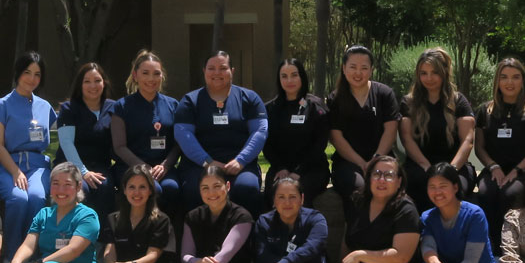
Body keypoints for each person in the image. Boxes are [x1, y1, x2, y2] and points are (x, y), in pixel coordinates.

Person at [172, 50, 269, 215]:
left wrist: (241, 160)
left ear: (232, 71)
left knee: (247, 188)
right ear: (204, 71)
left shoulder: (250, 98)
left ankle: (245, 238)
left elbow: (260, 131)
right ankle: (197, 238)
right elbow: (183, 135)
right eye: (211, 68)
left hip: (240, 166)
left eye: (223, 68)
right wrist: (207, 162)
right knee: (195, 190)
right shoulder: (190, 101)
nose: (217, 73)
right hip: (199, 166)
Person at [473, 56, 525, 244]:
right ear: (497, 81)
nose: (509, 82)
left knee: (510, 193)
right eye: (504, 77)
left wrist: (517, 171)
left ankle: (511, 246)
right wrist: (493, 167)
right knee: (485, 193)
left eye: (515, 77)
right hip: (495, 169)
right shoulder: (485, 110)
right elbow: (479, 147)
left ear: (523, 80)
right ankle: (489, 248)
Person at [327, 46, 401, 221]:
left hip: (382, 158)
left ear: (372, 70)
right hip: (348, 163)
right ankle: (357, 236)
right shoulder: (335, 98)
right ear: (344, 68)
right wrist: (362, 163)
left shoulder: (384, 93)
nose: (358, 73)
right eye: (352, 67)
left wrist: (376, 159)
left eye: (364, 68)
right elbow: (337, 138)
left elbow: (390, 131)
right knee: (358, 187)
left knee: (386, 184)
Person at [110, 50, 186, 220]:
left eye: (156, 74)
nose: (151, 79)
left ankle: (170, 239)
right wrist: (143, 168)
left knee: (172, 188)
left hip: (162, 168)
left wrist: (166, 165)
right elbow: (119, 146)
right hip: (131, 167)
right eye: (145, 73)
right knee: (153, 190)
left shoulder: (173, 105)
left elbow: (179, 143)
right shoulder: (121, 107)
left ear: (162, 76)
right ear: (135, 76)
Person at [399, 47, 477, 213]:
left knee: (454, 188)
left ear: (444, 73)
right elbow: (406, 138)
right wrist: (427, 167)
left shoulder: (459, 101)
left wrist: (450, 170)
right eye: (423, 73)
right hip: (420, 165)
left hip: (455, 164)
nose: (429, 78)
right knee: (419, 184)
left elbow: (468, 141)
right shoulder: (408, 102)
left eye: (434, 72)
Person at [0, 51, 56, 241]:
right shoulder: (1, 106)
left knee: (36, 197)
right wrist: (15, 172)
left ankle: (31, 256)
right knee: (18, 199)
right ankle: (11, 256)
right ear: (18, 72)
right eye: (27, 72)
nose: (32, 79)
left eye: (37, 74)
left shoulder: (45, 107)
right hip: (8, 164)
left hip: (37, 166)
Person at [57, 61, 120, 218]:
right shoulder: (69, 108)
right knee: (79, 189)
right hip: (71, 166)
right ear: (80, 85)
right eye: (87, 81)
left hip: (100, 166)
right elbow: (66, 143)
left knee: (105, 187)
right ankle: (75, 237)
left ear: (104, 83)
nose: (93, 86)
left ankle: (104, 239)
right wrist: (83, 172)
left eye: (97, 81)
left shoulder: (114, 108)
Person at [263, 58, 330, 202]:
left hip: (312, 169)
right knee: (273, 192)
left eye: (294, 75)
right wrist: (281, 168)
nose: (289, 80)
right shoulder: (270, 109)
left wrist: (298, 172)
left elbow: (320, 144)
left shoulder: (315, 106)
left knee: (297, 193)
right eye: (284, 76)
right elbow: (267, 144)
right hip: (280, 168)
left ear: (302, 77)